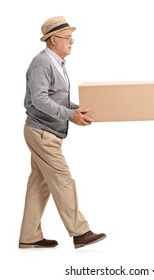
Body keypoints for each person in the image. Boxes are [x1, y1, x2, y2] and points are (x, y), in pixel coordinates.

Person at [18, 16, 106, 249]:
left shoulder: (57, 63)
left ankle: (29, 237)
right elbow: (39, 100)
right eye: (67, 37)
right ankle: (80, 232)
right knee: (63, 180)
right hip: (42, 132)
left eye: (71, 37)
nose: (72, 41)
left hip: (48, 132)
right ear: (53, 39)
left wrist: (78, 110)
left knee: (40, 185)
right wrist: (70, 115)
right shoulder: (42, 63)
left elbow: (56, 97)